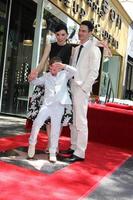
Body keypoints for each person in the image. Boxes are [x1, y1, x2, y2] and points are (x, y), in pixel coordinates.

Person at [59, 20, 101, 162]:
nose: (80, 33)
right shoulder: (76, 49)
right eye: (79, 30)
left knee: (81, 121)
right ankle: (73, 147)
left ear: (90, 33)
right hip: (72, 87)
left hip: (81, 89)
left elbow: (94, 72)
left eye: (83, 31)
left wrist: (84, 88)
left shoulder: (94, 49)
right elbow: (72, 68)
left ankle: (80, 153)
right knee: (73, 121)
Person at [27, 23, 74, 150]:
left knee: (58, 117)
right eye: (58, 34)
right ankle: (49, 144)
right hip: (48, 81)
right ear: (55, 35)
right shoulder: (50, 45)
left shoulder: (71, 48)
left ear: (67, 35)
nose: (60, 37)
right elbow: (42, 62)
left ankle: (54, 144)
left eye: (63, 35)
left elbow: (72, 68)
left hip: (62, 83)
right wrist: (34, 73)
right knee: (47, 117)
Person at [28, 57, 77, 162]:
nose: (52, 69)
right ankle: (32, 144)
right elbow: (35, 82)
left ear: (59, 67)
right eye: (51, 67)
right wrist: (31, 78)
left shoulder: (65, 74)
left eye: (55, 67)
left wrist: (64, 66)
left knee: (55, 128)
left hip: (59, 106)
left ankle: (53, 151)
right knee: (36, 123)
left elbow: (75, 71)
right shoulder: (46, 76)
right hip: (46, 105)